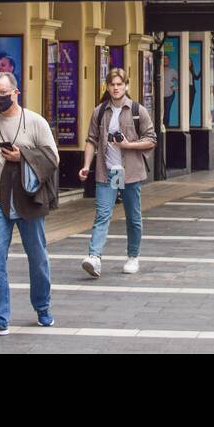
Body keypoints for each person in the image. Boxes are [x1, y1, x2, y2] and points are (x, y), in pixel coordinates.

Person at [0, 71, 59, 337]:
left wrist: (21, 155)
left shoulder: (35, 122)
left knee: (37, 257)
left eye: (3, 93)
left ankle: (42, 307)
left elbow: (52, 158)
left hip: (29, 199)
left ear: (16, 92)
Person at [78, 68, 157, 277]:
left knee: (133, 216)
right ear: (107, 86)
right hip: (107, 172)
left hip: (130, 172)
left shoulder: (138, 110)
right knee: (103, 214)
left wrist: (128, 145)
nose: (115, 88)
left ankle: (133, 256)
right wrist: (86, 165)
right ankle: (94, 257)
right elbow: (91, 140)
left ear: (126, 86)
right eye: (112, 84)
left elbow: (151, 139)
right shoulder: (99, 111)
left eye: (119, 84)